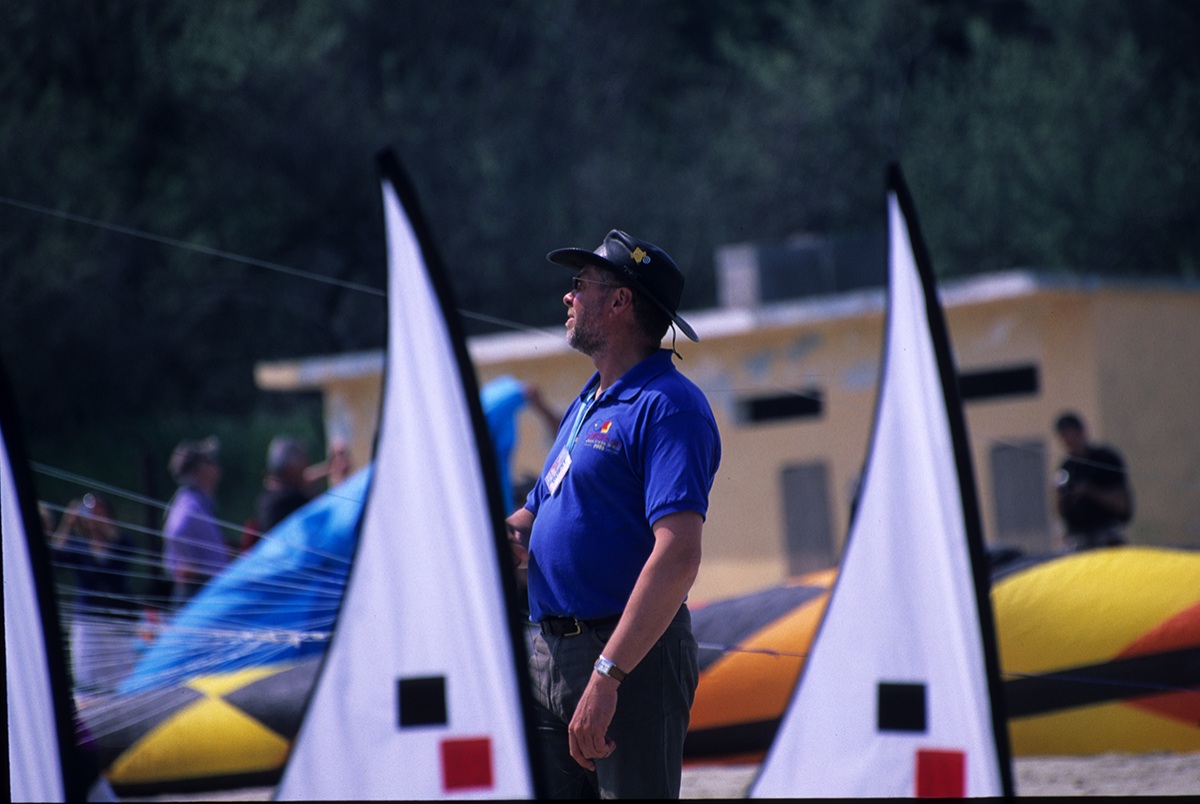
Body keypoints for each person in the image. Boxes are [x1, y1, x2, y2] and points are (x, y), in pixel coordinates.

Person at [505, 229, 721, 798]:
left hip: (628, 662)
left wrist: (608, 673)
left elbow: (678, 554)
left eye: (580, 284)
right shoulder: (589, 398)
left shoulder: (671, 407)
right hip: (550, 654)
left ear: (621, 301)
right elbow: (537, 510)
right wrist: (492, 537)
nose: (567, 297)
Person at [49, 492, 141, 695]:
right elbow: (55, 558)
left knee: (121, 678)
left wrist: (104, 528)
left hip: (118, 622)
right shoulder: (79, 547)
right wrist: (68, 523)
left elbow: (127, 551)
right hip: (90, 623)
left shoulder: (120, 543)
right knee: (88, 678)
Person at [163, 436, 231, 606]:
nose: (216, 465)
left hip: (204, 590)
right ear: (201, 470)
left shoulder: (197, 502)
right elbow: (176, 531)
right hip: (195, 593)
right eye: (211, 461)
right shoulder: (190, 506)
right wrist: (189, 562)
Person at [1053, 411, 1133, 550]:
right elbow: (1060, 510)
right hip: (1078, 540)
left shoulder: (1106, 459)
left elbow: (1122, 503)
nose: (1069, 443)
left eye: (1071, 436)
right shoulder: (1066, 468)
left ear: (1082, 432)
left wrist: (1090, 491)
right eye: (1064, 438)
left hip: (1107, 536)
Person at [241, 436, 316, 552]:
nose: (306, 466)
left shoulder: (269, 497)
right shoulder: (287, 500)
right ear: (291, 469)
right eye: (303, 461)